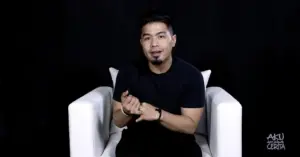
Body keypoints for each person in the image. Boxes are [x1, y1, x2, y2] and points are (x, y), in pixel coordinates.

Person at [112, 10, 205, 157]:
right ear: (141, 43)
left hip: (179, 142)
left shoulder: (191, 75)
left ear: (173, 40)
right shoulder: (127, 72)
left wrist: (158, 114)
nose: (154, 44)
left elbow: (190, 126)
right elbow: (118, 121)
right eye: (147, 38)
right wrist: (126, 111)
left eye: (161, 36)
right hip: (137, 141)